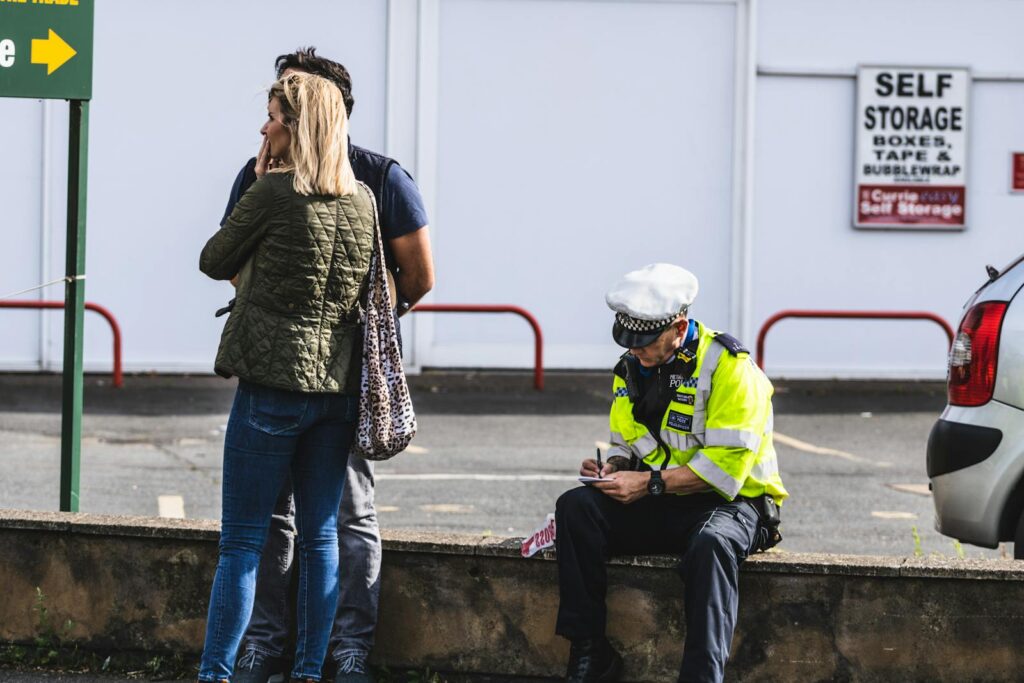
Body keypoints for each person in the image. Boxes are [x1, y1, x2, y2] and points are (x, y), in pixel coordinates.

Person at [220, 48, 433, 683]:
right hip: (273, 373)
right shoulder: (257, 176)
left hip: (347, 382)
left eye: (283, 105)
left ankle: (348, 652)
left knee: (348, 516)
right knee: (276, 519)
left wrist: (344, 321)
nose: (268, 123)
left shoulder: (380, 178)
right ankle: (269, 645)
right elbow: (236, 262)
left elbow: (417, 278)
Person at [198, 72, 378, 683]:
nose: (264, 126)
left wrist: (257, 182)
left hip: (272, 388)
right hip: (335, 391)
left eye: (273, 115)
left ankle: (216, 675)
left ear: (297, 127)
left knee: (243, 543)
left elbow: (213, 259)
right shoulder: (363, 202)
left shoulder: (273, 193)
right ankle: (307, 673)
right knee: (321, 537)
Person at [554, 263, 788, 683]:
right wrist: (614, 466)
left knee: (711, 545)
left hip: (734, 505)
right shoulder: (630, 367)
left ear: (679, 328)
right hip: (662, 498)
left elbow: (725, 471)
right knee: (575, 509)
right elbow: (629, 441)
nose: (636, 352)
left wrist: (647, 483)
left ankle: (702, 678)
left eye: (646, 342)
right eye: (630, 342)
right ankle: (590, 653)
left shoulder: (731, 368)